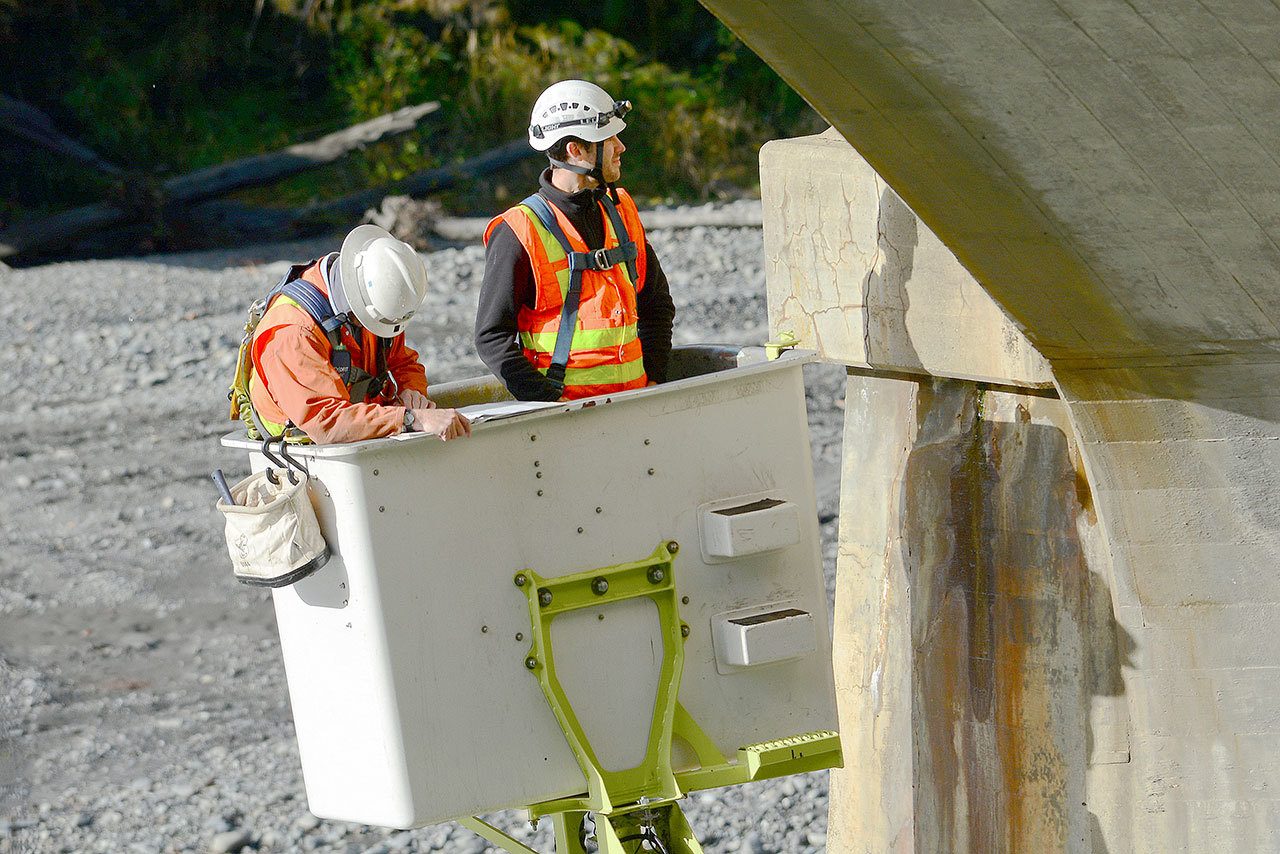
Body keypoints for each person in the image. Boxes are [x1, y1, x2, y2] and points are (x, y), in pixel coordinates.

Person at [475, 79, 676, 401]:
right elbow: (492, 338)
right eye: (608, 138)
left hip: (637, 405)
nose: (621, 147)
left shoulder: (622, 210)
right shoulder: (519, 230)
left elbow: (656, 305)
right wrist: (547, 403)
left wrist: (654, 377)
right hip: (565, 419)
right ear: (575, 150)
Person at [245, 224, 471, 444]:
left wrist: (411, 390)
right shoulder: (293, 333)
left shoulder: (375, 301)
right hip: (299, 449)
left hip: (351, 427)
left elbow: (402, 361)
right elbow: (326, 422)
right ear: (359, 305)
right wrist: (410, 418)